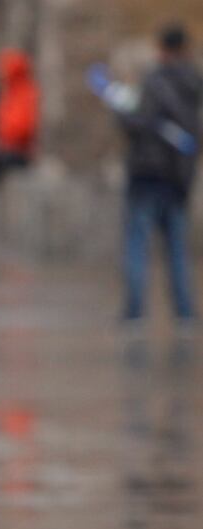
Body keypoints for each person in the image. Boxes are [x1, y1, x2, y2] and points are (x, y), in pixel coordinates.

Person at [115, 23, 200, 327]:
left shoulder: (153, 82)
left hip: (147, 174)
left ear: (162, 49)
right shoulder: (194, 84)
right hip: (178, 177)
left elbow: (137, 123)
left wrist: (122, 108)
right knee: (177, 248)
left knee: (138, 243)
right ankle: (185, 313)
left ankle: (135, 312)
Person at [0, 48, 39, 170]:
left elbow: (21, 126)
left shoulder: (24, 92)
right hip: (7, 146)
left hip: (17, 149)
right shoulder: (9, 91)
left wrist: (2, 135)